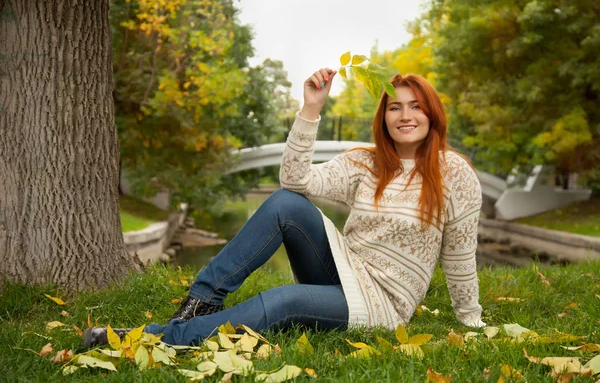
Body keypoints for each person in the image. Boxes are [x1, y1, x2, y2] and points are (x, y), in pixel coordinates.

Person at [82, 67, 485, 348]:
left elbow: (460, 254)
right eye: (395, 107)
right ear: (384, 117)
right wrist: (311, 108)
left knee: (284, 301)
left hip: (384, 303)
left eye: (415, 106)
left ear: (432, 113)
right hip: (343, 271)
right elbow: (296, 182)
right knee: (285, 203)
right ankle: (199, 303)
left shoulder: (454, 174)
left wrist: (470, 318)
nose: (405, 115)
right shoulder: (368, 162)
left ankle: (152, 338)